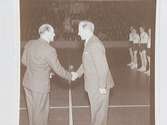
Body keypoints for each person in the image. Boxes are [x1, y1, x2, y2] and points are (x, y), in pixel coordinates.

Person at [21, 24, 72, 125]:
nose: (54, 35)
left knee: (32, 114)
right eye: (53, 32)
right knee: (40, 115)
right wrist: (71, 76)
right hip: (40, 87)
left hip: (27, 84)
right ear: (47, 33)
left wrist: (43, 71)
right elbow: (58, 69)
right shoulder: (49, 50)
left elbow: (24, 61)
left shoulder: (29, 43)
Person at [71, 20, 115, 125]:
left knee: (99, 116)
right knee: (96, 113)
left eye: (79, 30)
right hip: (93, 85)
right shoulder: (89, 42)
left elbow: (102, 67)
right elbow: (86, 62)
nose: (78, 33)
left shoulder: (94, 44)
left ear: (87, 30)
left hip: (98, 86)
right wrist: (77, 74)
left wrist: (101, 86)